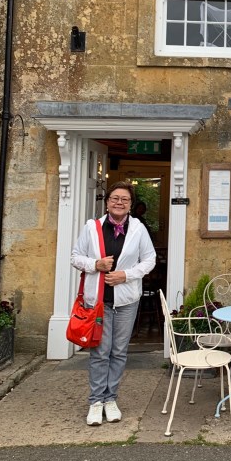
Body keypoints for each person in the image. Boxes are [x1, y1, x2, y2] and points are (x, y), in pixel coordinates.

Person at [71, 181, 156, 426]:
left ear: (130, 204)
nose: (120, 203)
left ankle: (111, 399)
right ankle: (96, 402)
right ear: (107, 202)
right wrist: (95, 264)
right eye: (115, 198)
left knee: (118, 351)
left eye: (125, 199)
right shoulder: (92, 227)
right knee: (100, 352)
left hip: (127, 300)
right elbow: (75, 257)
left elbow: (149, 260)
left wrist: (125, 275)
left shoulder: (138, 229)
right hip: (99, 301)